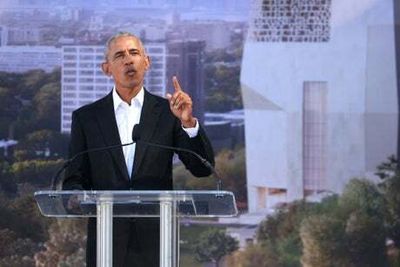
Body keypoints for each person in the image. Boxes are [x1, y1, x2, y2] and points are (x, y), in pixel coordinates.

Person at [62, 32, 214, 267]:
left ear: (147, 61)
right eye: (120, 55)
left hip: (157, 240)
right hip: (107, 241)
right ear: (107, 68)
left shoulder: (168, 112)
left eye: (134, 53)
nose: (128, 60)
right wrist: (74, 197)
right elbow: (74, 179)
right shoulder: (86, 118)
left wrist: (187, 122)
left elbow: (202, 169)